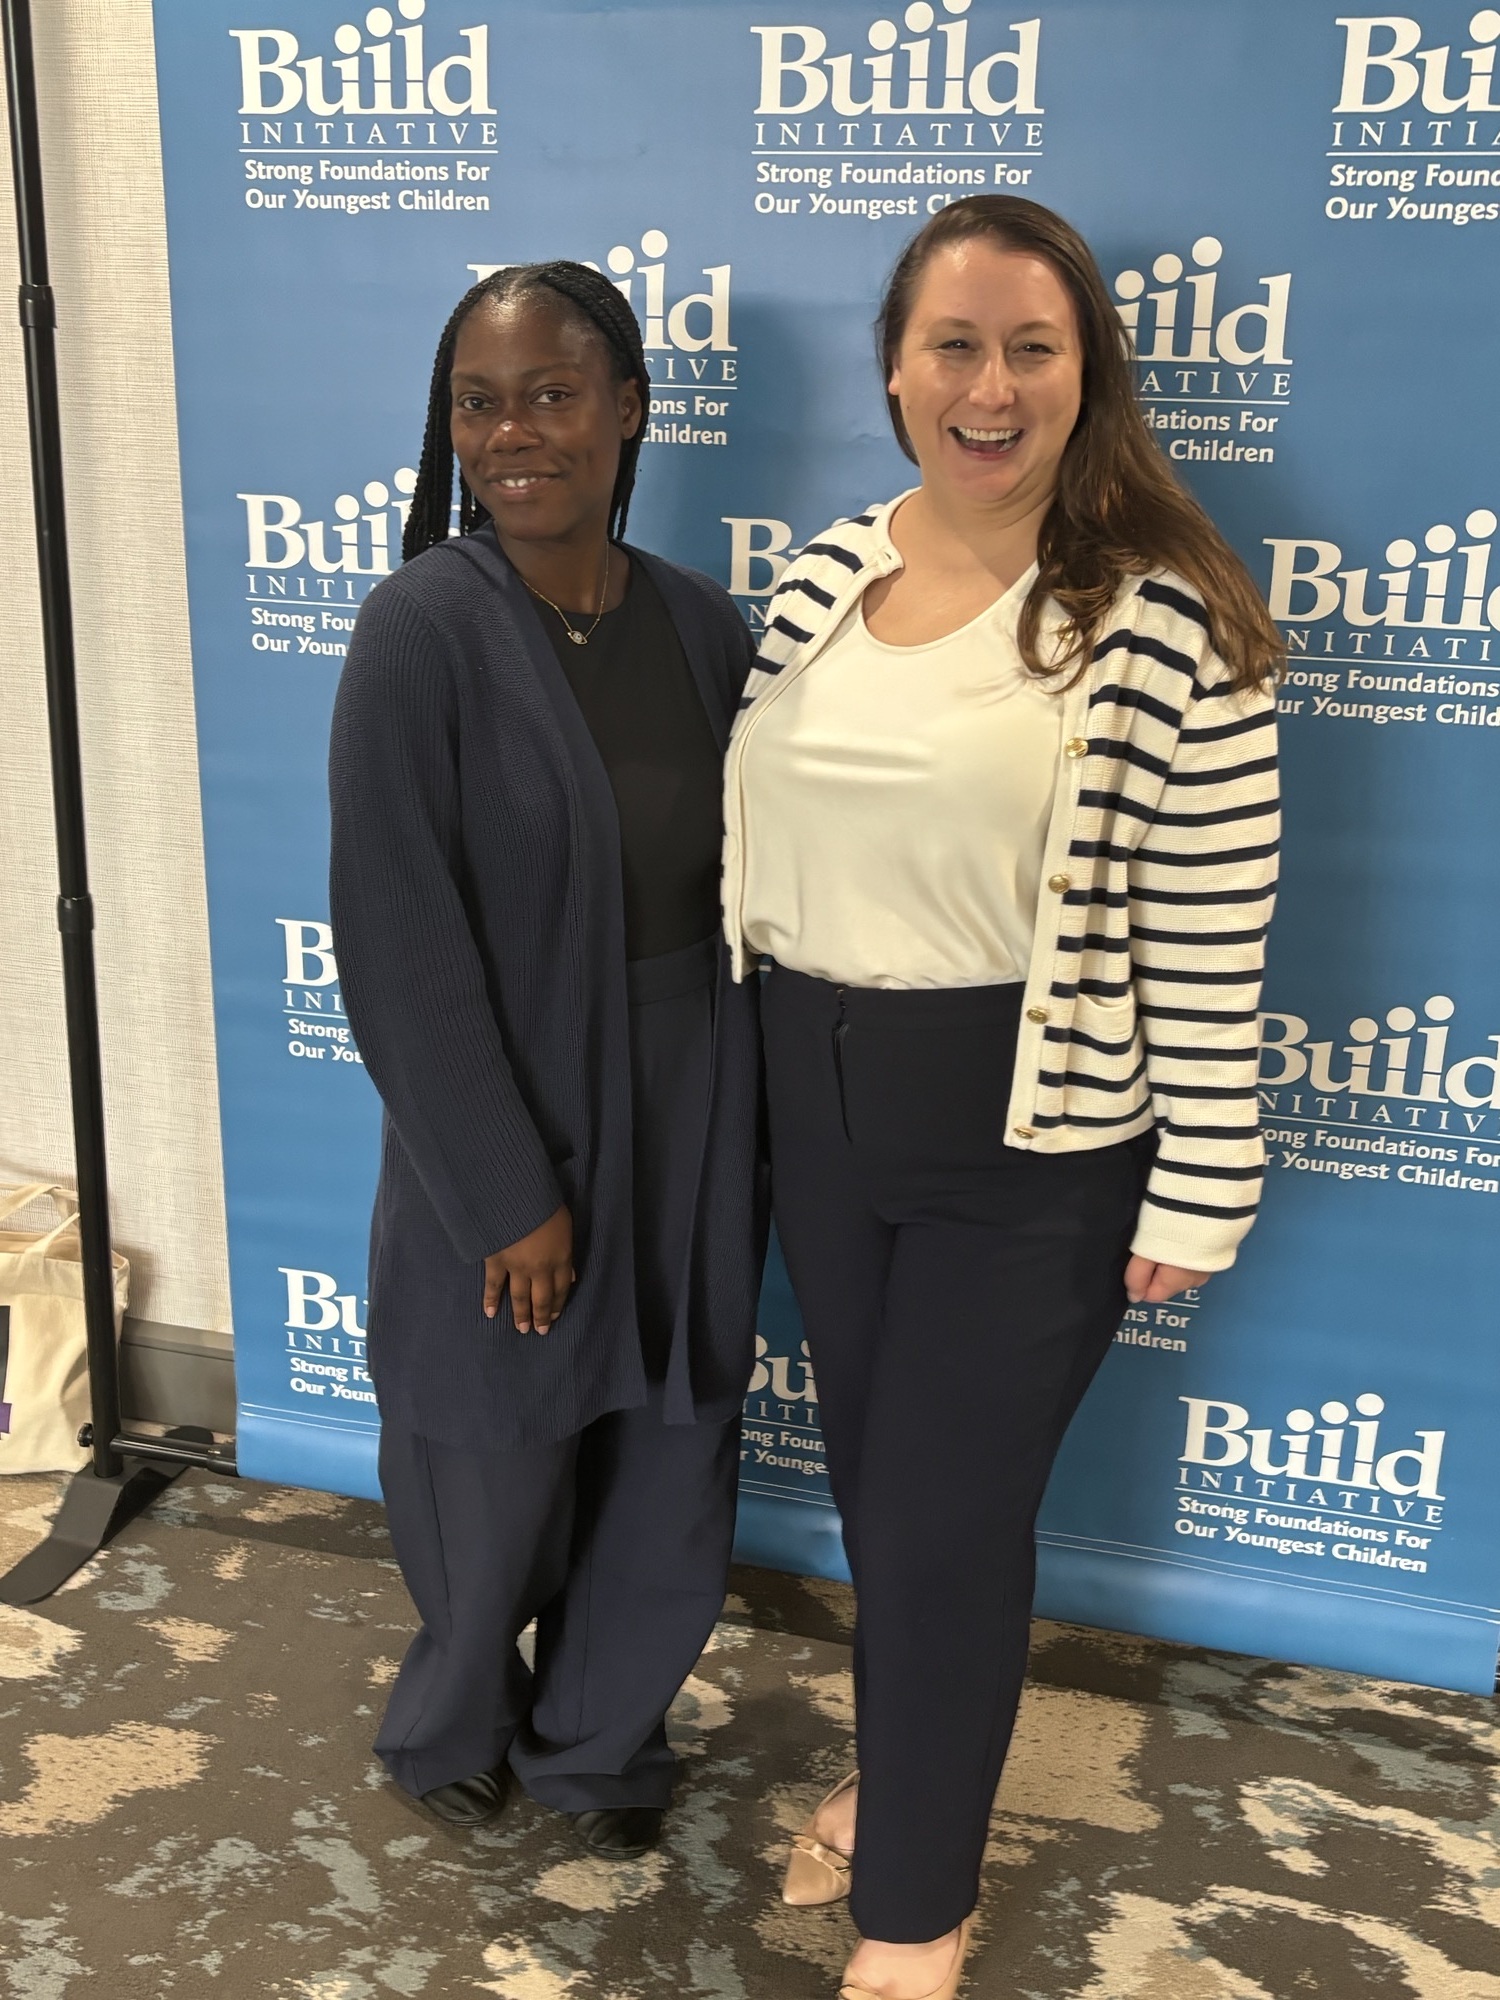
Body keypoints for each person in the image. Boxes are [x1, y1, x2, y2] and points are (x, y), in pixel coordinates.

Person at [723, 196, 1282, 1998]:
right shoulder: (824, 570)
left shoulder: (1159, 621)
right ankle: (910, 1782)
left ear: (1085, 375)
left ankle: (919, 1912)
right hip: (815, 1103)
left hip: (1027, 1141)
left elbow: (1208, 933)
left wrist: (1201, 1187)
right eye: (953, 344)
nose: (990, 384)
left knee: (943, 1521)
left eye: (1031, 347)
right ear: (895, 367)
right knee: (889, 1496)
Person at [329, 262, 767, 1861]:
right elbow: (395, 934)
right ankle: (451, 1716)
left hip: (691, 1110)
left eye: (554, 391)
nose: (514, 431)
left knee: (666, 1459)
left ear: (629, 408)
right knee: (491, 1456)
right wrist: (509, 1189)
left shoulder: (704, 628)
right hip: (503, 1115)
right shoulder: (424, 630)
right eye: (478, 402)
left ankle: (599, 1745)